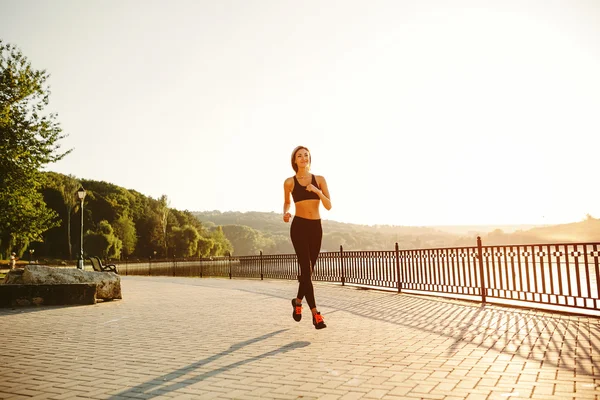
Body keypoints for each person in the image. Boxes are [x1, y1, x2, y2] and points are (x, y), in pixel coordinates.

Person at [283, 146, 332, 329]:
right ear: (294, 161)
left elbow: (328, 205)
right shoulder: (289, 182)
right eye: (299, 156)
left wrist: (317, 191)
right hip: (299, 226)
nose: (303, 158)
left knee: (308, 272)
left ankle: (297, 301)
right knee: (306, 267)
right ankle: (315, 314)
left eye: (306, 155)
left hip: (315, 227)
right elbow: (287, 203)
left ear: (309, 158)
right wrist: (286, 213)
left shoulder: (319, 179)